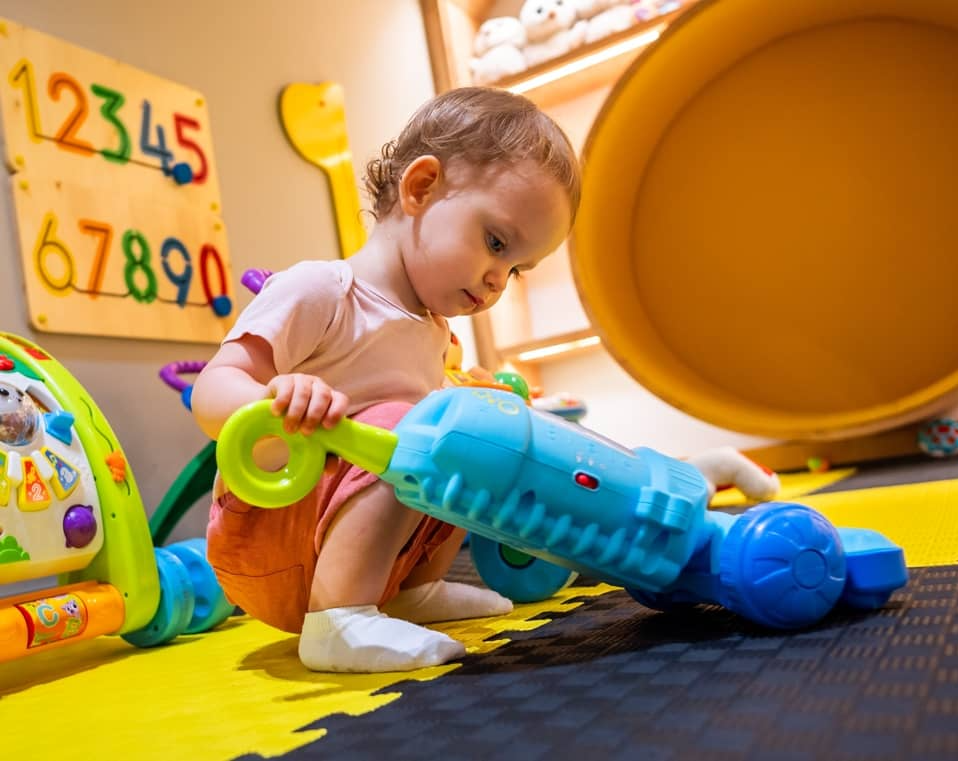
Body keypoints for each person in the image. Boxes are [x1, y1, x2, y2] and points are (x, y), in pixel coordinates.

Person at [193, 86, 779, 675]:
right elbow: (214, 389)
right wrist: (276, 397)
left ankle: (409, 592)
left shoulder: (433, 330)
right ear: (421, 188)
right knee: (422, 428)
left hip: (351, 551)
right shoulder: (322, 289)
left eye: (516, 268)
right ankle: (338, 620)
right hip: (269, 531)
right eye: (496, 243)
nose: (498, 279)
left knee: (471, 435)